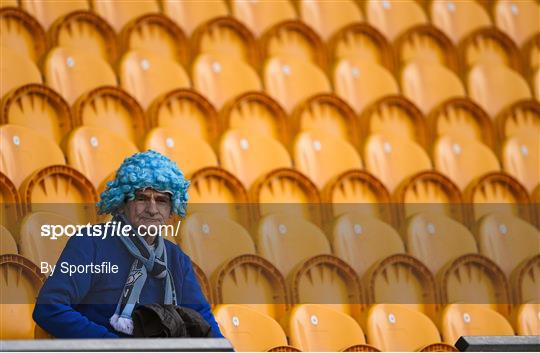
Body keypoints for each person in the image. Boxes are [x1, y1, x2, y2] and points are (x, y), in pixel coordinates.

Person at [33, 150, 222, 338]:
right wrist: (115, 347)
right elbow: (49, 308)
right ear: (122, 203)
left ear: (171, 210)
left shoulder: (177, 259)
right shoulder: (90, 243)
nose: (152, 209)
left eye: (162, 200)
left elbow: (204, 323)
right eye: (141, 198)